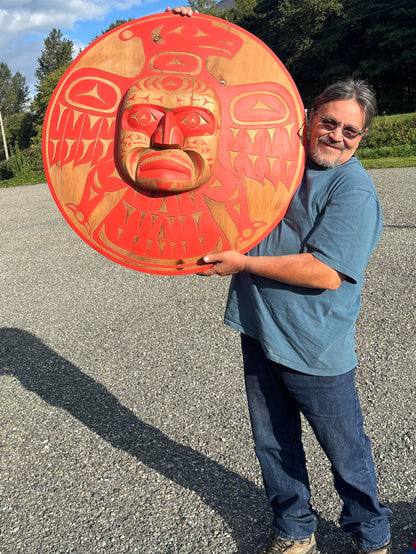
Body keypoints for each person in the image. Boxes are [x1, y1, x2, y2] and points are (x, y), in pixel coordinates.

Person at [169, 7, 392, 554]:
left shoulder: (352, 191)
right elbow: (237, 95)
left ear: (361, 138)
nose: (336, 136)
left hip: (315, 345)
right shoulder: (280, 156)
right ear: (308, 114)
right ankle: (296, 530)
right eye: (329, 120)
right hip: (260, 327)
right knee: (273, 444)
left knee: (345, 450)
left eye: (350, 130)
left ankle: (372, 535)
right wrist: (196, 35)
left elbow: (326, 272)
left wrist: (243, 263)